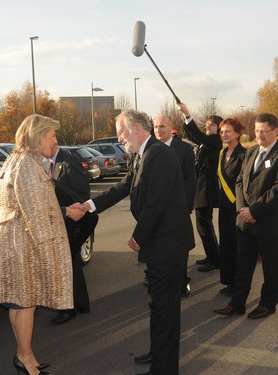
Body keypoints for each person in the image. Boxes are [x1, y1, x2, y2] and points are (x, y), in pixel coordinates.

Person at [73, 110, 194, 375]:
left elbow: (156, 203)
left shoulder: (158, 154)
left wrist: (137, 237)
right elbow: (123, 187)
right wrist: (88, 205)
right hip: (159, 245)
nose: (119, 137)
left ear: (137, 127)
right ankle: (158, 354)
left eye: (121, 131)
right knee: (157, 304)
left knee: (165, 309)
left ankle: (164, 368)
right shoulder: (142, 155)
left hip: (167, 246)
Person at [0, 114, 79, 375]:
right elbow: (35, 214)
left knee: (19, 303)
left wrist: (64, 211)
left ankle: (25, 355)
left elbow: (31, 206)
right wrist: (50, 257)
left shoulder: (18, 159)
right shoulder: (26, 165)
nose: (55, 141)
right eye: (52, 135)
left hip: (13, 243)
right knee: (25, 304)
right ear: (37, 136)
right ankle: (25, 358)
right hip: (20, 245)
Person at [214, 113, 278, 319]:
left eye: (263, 131)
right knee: (242, 266)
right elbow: (240, 181)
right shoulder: (250, 153)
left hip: (268, 223)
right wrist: (243, 209)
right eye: (257, 131)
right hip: (246, 222)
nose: (259, 135)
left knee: (271, 268)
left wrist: (254, 211)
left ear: (275, 131)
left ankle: (268, 304)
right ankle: (237, 303)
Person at [49, 143, 98, 325]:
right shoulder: (48, 163)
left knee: (64, 265)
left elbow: (82, 192)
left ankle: (67, 309)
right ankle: (81, 304)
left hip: (69, 221)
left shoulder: (68, 161)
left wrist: (71, 210)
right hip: (60, 221)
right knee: (72, 263)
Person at [153, 115, 196, 296]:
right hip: (155, 211)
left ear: (171, 127)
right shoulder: (150, 149)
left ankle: (182, 281)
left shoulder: (184, 149)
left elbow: (190, 180)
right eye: (155, 127)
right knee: (156, 246)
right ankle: (155, 277)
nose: (158, 130)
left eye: (162, 126)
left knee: (179, 248)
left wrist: (186, 206)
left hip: (177, 210)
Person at [177, 103, 222, 272]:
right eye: (208, 123)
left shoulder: (214, 141)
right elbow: (193, 135)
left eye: (212, 124)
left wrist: (188, 114)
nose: (208, 125)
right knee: (203, 225)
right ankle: (212, 256)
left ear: (219, 129)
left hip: (206, 189)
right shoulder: (206, 141)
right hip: (201, 188)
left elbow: (198, 135)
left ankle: (214, 259)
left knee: (204, 225)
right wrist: (184, 118)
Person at [215, 118, 246, 296]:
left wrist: (242, 205)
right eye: (222, 131)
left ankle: (239, 284)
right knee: (226, 245)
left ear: (237, 133)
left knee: (238, 247)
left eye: (228, 131)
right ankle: (228, 281)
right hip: (224, 206)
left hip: (238, 207)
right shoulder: (221, 153)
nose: (224, 134)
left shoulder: (244, 154)